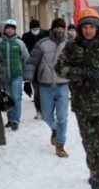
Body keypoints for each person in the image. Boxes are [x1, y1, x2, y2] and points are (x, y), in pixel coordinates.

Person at [55, 8, 99, 189]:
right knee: (90, 144)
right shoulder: (72, 47)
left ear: (98, 28)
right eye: (85, 27)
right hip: (83, 104)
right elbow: (60, 68)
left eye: (92, 27)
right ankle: (94, 169)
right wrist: (81, 74)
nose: (88, 31)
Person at [24, 18, 69, 158]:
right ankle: (55, 129)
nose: (59, 30)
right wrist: (27, 80)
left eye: (62, 27)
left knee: (62, 116)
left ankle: (60, 144)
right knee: (46, 115)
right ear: (52, 28)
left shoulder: (70, 45)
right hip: (45, 84)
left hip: (63, 83)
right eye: (57, 27)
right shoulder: (42, 43)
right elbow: (32, 62)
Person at [0, 19, 29, 131]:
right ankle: (10, 119)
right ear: (4, 29)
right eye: (8, 28)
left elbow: (26, 59)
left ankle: (16, 120)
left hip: (17, 75)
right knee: (7, 97)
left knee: (16, 97)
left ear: (15, 30)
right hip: (4, 75)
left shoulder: (20, 43)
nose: (10, 30)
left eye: (12, 28)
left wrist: (26, 74)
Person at [21, 19, 49, 119]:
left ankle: (46, 111)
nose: (35, 30)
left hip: (45, 68)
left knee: (45, 91)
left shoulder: (46, 35)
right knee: (36, 92)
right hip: (33, 68)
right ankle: (39, 111)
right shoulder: (25, 37)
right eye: (33, 29)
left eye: (37, 28)